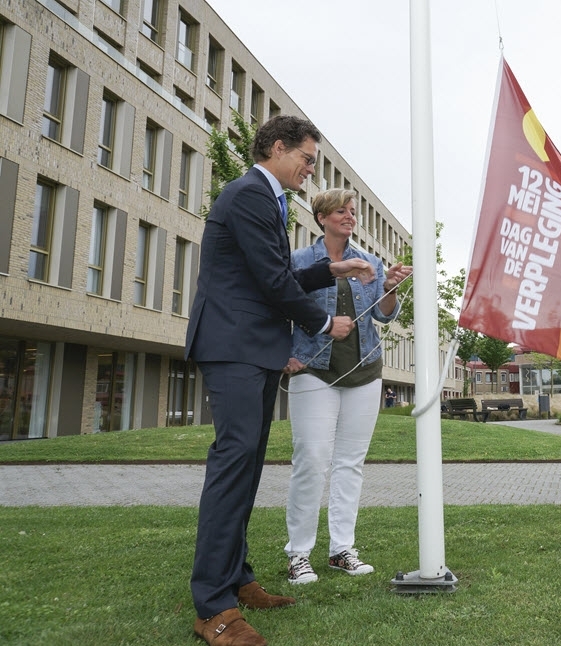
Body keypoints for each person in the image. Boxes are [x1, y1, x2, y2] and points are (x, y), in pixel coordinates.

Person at [185, 115, 375, 646]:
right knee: (233, 466)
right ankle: (213, 607)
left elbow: (275, 272)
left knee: (245, 468)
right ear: (275, 147)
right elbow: (271, 281)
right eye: (307, 159)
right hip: (234, 346)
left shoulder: (268, 198)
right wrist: (321, 322)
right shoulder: (248, 193)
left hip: (254, 350)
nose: (310, 170)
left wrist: (332, 271)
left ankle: (238, 577)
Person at [283, 188, 411, 584]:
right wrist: (282, 353)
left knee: (350, 464)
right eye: (341, 210)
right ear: (321, 217)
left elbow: (385, 316)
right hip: (313, 372)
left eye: (352, 211)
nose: (349, 216)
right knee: (311, 460)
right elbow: (279, 304)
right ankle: (298, 554)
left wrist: (389, 287)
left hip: (364, 372)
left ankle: (341, 550)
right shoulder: (300, 260)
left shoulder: (370, 261)